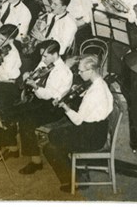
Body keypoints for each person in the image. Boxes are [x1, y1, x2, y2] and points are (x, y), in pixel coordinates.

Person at [44, 54, 113, 193]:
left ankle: (74, 180)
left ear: (91, 70)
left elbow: (77, 120)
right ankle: (77, 170)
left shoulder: (95, 93)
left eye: (81, 71)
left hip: (92, 135)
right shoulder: (101, 83)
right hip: (99, 129)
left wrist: (65, 107)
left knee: (49, 147)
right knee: (54, 135)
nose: (79, 74)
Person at [14, 40, 73, 175]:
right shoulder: (45, 63)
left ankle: (36, 162)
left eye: (45, 56)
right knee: (14, 109)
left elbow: (49, 95)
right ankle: (12, 148)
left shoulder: (63, 72)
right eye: (42, 55)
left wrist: (34, 86)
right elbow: (36, 75)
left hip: (53, 107)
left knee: (26, 120)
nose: (42, 59)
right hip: (40, 100)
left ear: (55, 54)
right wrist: (28, 76)